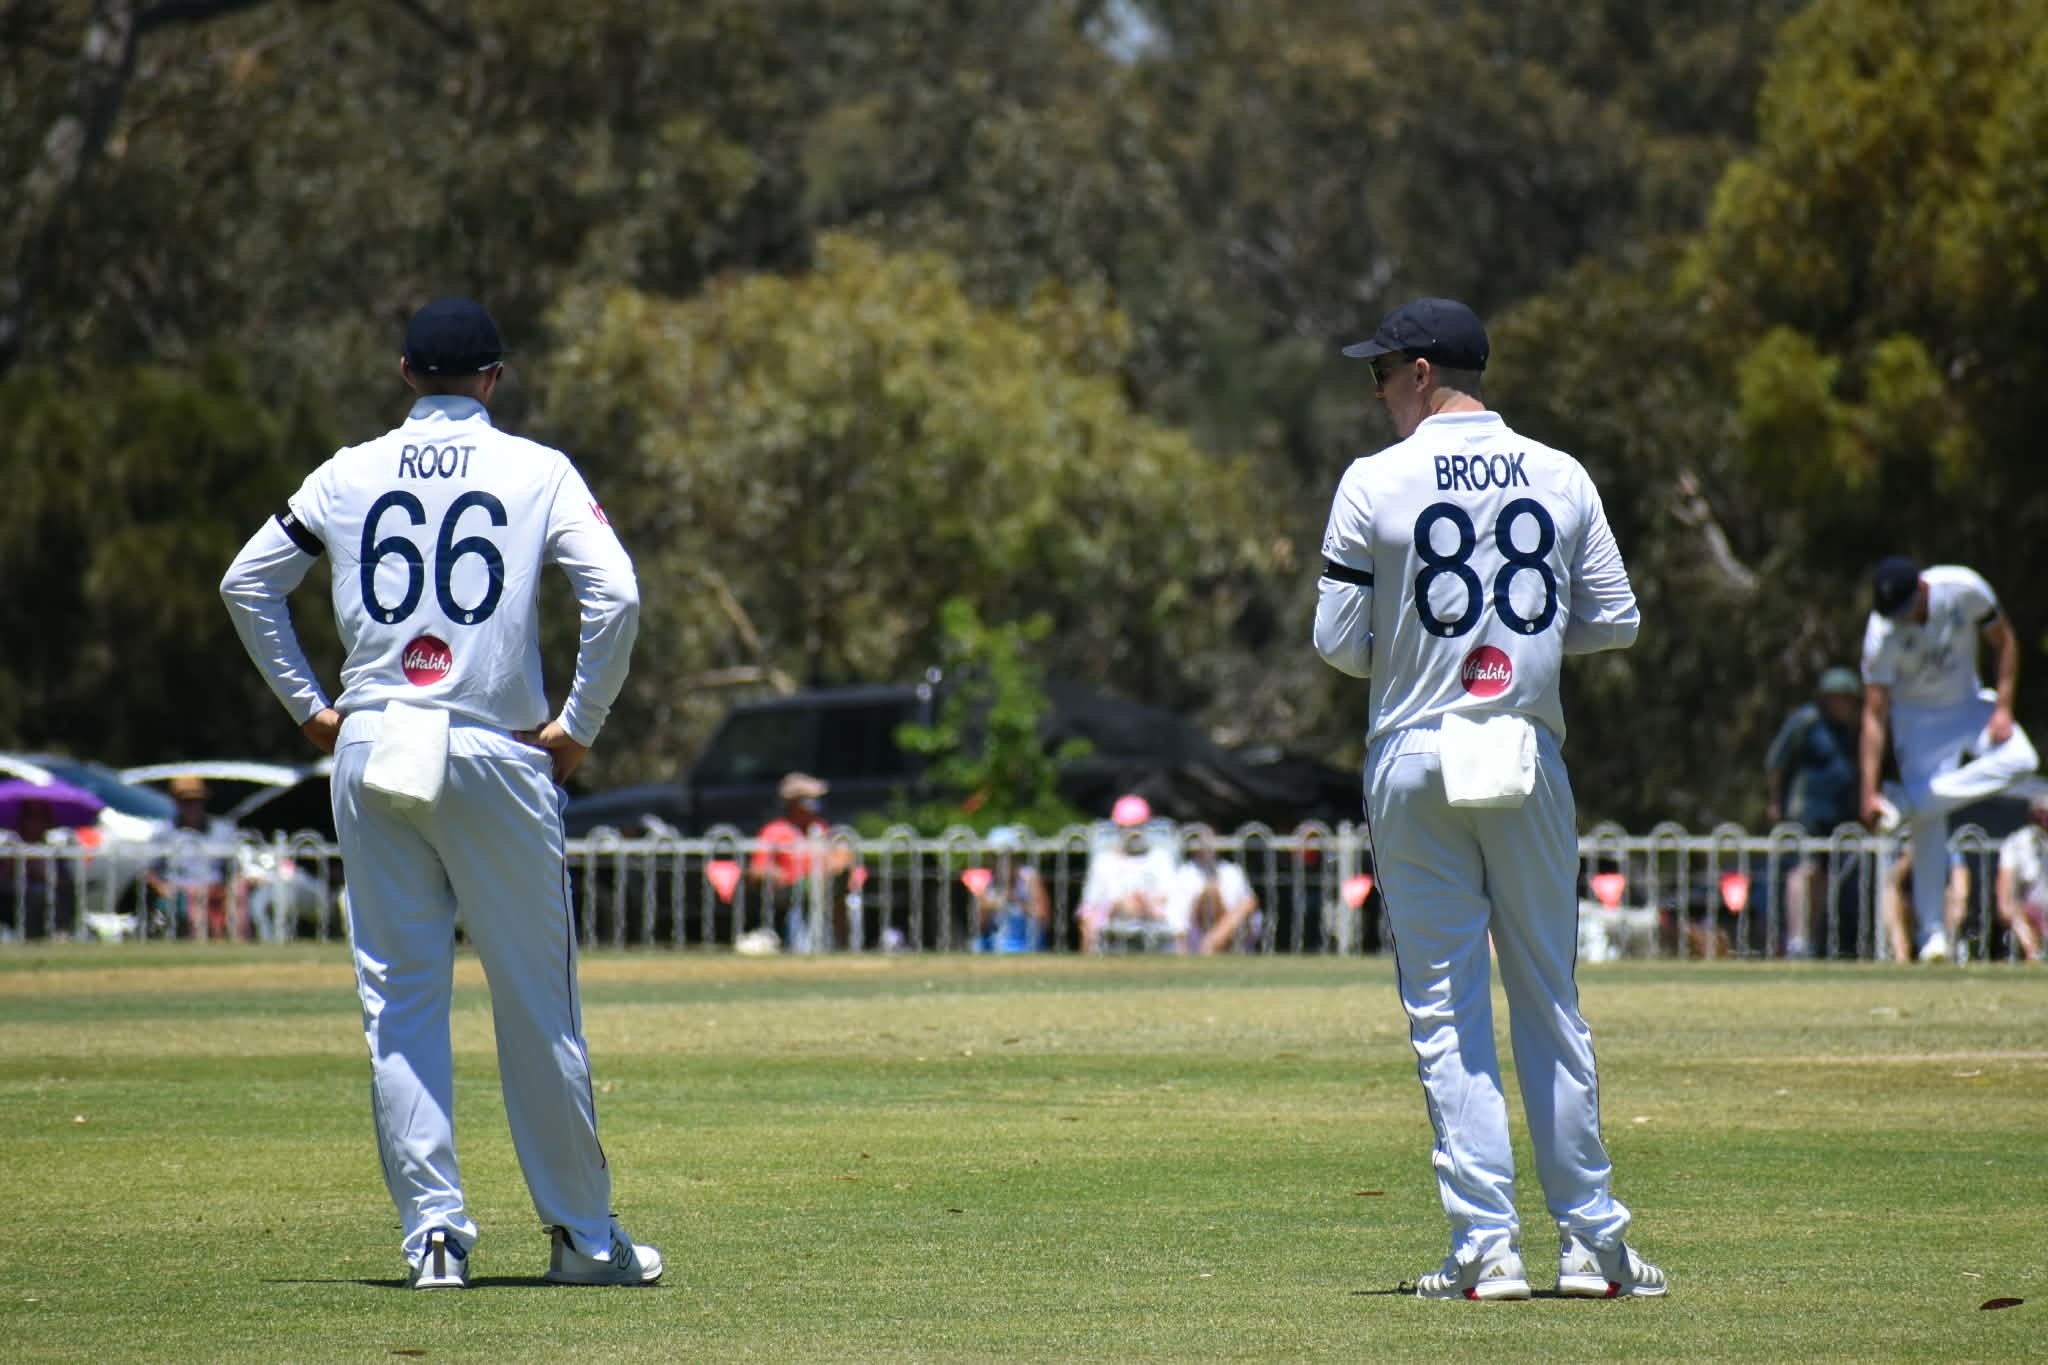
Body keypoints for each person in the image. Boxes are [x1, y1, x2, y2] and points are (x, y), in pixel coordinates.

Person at [219, 297, 659, 1290]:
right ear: (493, 379)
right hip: (494, 744)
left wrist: (310, 709)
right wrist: (579, 726)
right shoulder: (537, 469)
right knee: (533, 1001)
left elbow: (248, 583)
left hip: (373, 743)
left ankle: (434, 1240)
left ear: (404, 372)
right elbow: (618, 596)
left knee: (399, 999)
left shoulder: (346, 471)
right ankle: (584, 1240)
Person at [1314, 297, 1663, 1301]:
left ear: (1421, 372)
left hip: (1414, 751)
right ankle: (1593, 1246)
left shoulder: (1372, 482)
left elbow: (1337, 645)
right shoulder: (1558, 473)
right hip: (1520, 747)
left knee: (1442, 1007)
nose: (1376, 391)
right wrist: (1518, 653)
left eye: (1380, 373)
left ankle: (1487, 1250)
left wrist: (1425, 656)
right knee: (1549, 999)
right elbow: (1616, 621)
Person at [1858, 556, 2040, 963]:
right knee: (1930, 826)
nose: (1900, 620)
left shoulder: (1963, 588)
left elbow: (2005, 641)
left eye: (1905, 610)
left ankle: (1911, 800)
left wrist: (2004, 707)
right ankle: (1933, 936)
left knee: (2023, 759)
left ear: (1921, 590)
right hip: (1917, 724)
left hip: (1969, 706)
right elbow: (1873, 713)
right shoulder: (1880, 632)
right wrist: (1868, 791)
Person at [1764, 668, 1864, 957]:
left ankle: (1814, 939)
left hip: (1840, 812)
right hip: (1807, 810)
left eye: (1847, 699)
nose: (1842, 705)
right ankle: (1796, 939)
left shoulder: (1852, 728)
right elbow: (1776, 762)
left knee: (1824, 877)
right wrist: (1774, 802)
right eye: (1836, 698)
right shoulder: (1807, 721)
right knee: (1805, 871)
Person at [748, 772, 856, 951]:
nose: (815, 804)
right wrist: (776, 874)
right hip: (788, 891)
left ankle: (842, 945)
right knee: (808, 893)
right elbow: (756, 870)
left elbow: (835, 860)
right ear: (795, 803)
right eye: (809, 799)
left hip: (822, 886)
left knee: (837, 888)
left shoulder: (819, 827)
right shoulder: (775, 831)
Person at [1075, 794, 1181, 953]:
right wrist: (1117, 906)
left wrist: (1145, 904)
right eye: (1128, 827)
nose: (1133, 833)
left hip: (1154, 920)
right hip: (1112, 922)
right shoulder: (1104, 862)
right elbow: (1091, 903)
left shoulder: (1160, 859)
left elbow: (1171, 896)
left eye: (1138, 827)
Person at [145, 775, 236, 939]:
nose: (192, 806)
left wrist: (231, 888)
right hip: (181, 892)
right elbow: (148, 870)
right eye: (186, 801)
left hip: (216, 891)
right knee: (192, 902)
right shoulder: (164, 832)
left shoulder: (222, 830)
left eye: (197, 800)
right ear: (176, 802)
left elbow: (234, 868)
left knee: (236, 897)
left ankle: (234, 944)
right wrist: (163, 888)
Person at [1170, 831, 1261, 954]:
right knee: (1210, 893)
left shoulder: (1232, 871)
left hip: (1231, 931)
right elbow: (1179, 915)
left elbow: (1248, 904)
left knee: (1247, 903)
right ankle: (1209, 945)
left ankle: (1211, 944)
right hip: (1198, 931)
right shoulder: (1185, 873)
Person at [971, 825, 1051, 953]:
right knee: (976, 945)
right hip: (996, 944)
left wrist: (1016, 900)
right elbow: (980, 928)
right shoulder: (987, 882)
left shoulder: (1029, 878)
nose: (1000, 862)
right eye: (995, 857)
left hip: (1028, 944)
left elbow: (1044, 919)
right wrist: (984, 909)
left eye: (1005, 856)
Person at [1992, 796, 2048, 962]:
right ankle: (2035, 956)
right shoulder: (2017, 843)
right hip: (2032, 909)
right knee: (2017, 913)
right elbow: (2005, 890)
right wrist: (2008, 909)